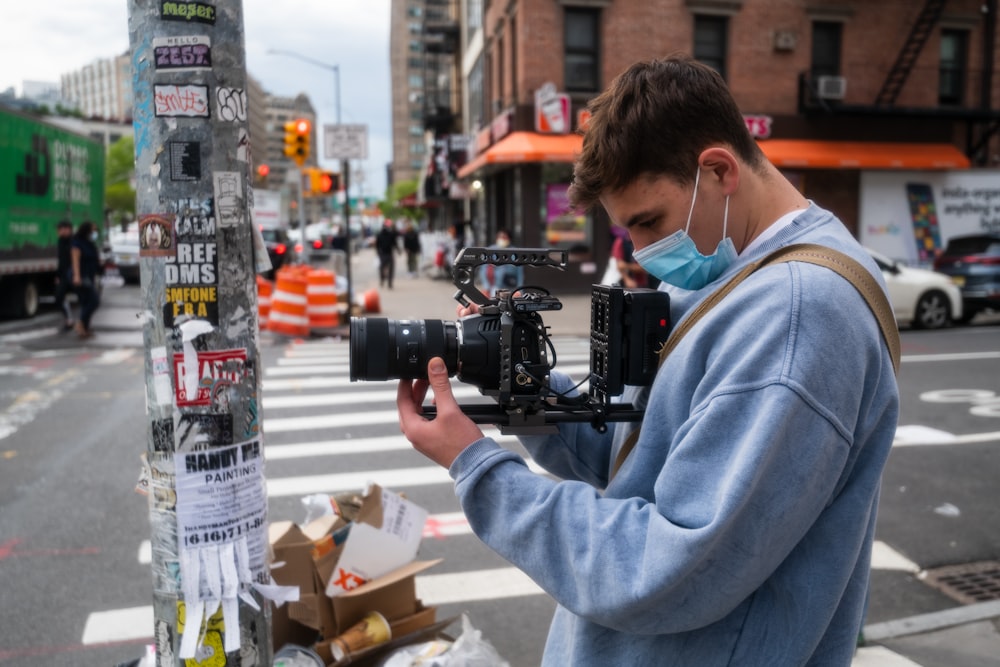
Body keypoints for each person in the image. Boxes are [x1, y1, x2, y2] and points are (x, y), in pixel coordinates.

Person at [396, 55, 899, 666]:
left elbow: (669, 569)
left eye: (649, 221)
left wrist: (478, 468)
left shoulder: (796, 313)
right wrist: (516, 380)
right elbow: (632, 459)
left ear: (718, 170)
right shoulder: (739, 271)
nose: (639, 249)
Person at [71, 220, 102, 339]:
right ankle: (80, 323)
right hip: (82, 277)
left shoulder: (90, 243)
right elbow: (75, 261)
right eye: (93, 230)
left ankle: (85, 328)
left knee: (86, 302)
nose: (95, 233)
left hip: (90, 276)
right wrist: (77, 275)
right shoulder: (77, 243)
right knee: (94, 301)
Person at [478, 228, 524, 297]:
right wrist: (486, 286)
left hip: (510, 288)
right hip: (494, 287)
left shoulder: (515, 252)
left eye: (504, 237)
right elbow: (483, 270)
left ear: (509, 239)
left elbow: (520, 274)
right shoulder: (490, 250)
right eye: (500, 237)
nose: (502, 239)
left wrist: (520, 290)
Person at [55, 220, 76, 330]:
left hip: (74, 274)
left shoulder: (73, 241)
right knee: (59, 297)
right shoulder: (60, 241)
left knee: (83, 298)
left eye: (61, 229)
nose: (59, 232)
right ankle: (69, 319)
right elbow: (61, 260)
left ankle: (83, 322)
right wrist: (58, 275)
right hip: (63, 275)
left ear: (68, 229)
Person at [374, 219, 400, 289]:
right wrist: (398, 250)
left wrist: (378, 252)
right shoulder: (389, 234)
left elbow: (377, 245)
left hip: (383, 253)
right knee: (389, 268)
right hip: (387, 253)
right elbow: (395, 243)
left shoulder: (380, 234)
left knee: (382, 267)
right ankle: (389, 282)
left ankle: (384, 280)